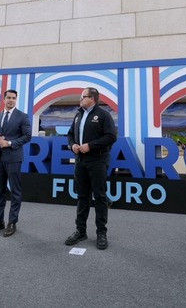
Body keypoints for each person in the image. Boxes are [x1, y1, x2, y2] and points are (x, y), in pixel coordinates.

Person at [64, 87, 116, 250]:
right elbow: (70, 134)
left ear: (92, 98)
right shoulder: (78, 114)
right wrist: (72, 145)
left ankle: (101, 233)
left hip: (98, 160)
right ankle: (80, 231)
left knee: (99, 196)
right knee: (82, 196)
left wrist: (90, 146)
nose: (80, 99)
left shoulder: (103, 115)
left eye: (83, 97)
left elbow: (111, 136)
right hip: (80, 161)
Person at [0, 89, 32, 237]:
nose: (11, 100)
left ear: (16, 100)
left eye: (14, 98)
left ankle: (12, 222)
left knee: (15, 192)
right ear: (4, 99)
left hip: (14, 158)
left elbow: (27, 136)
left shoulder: (22, 116)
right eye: (8, 98)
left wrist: (9, 143)